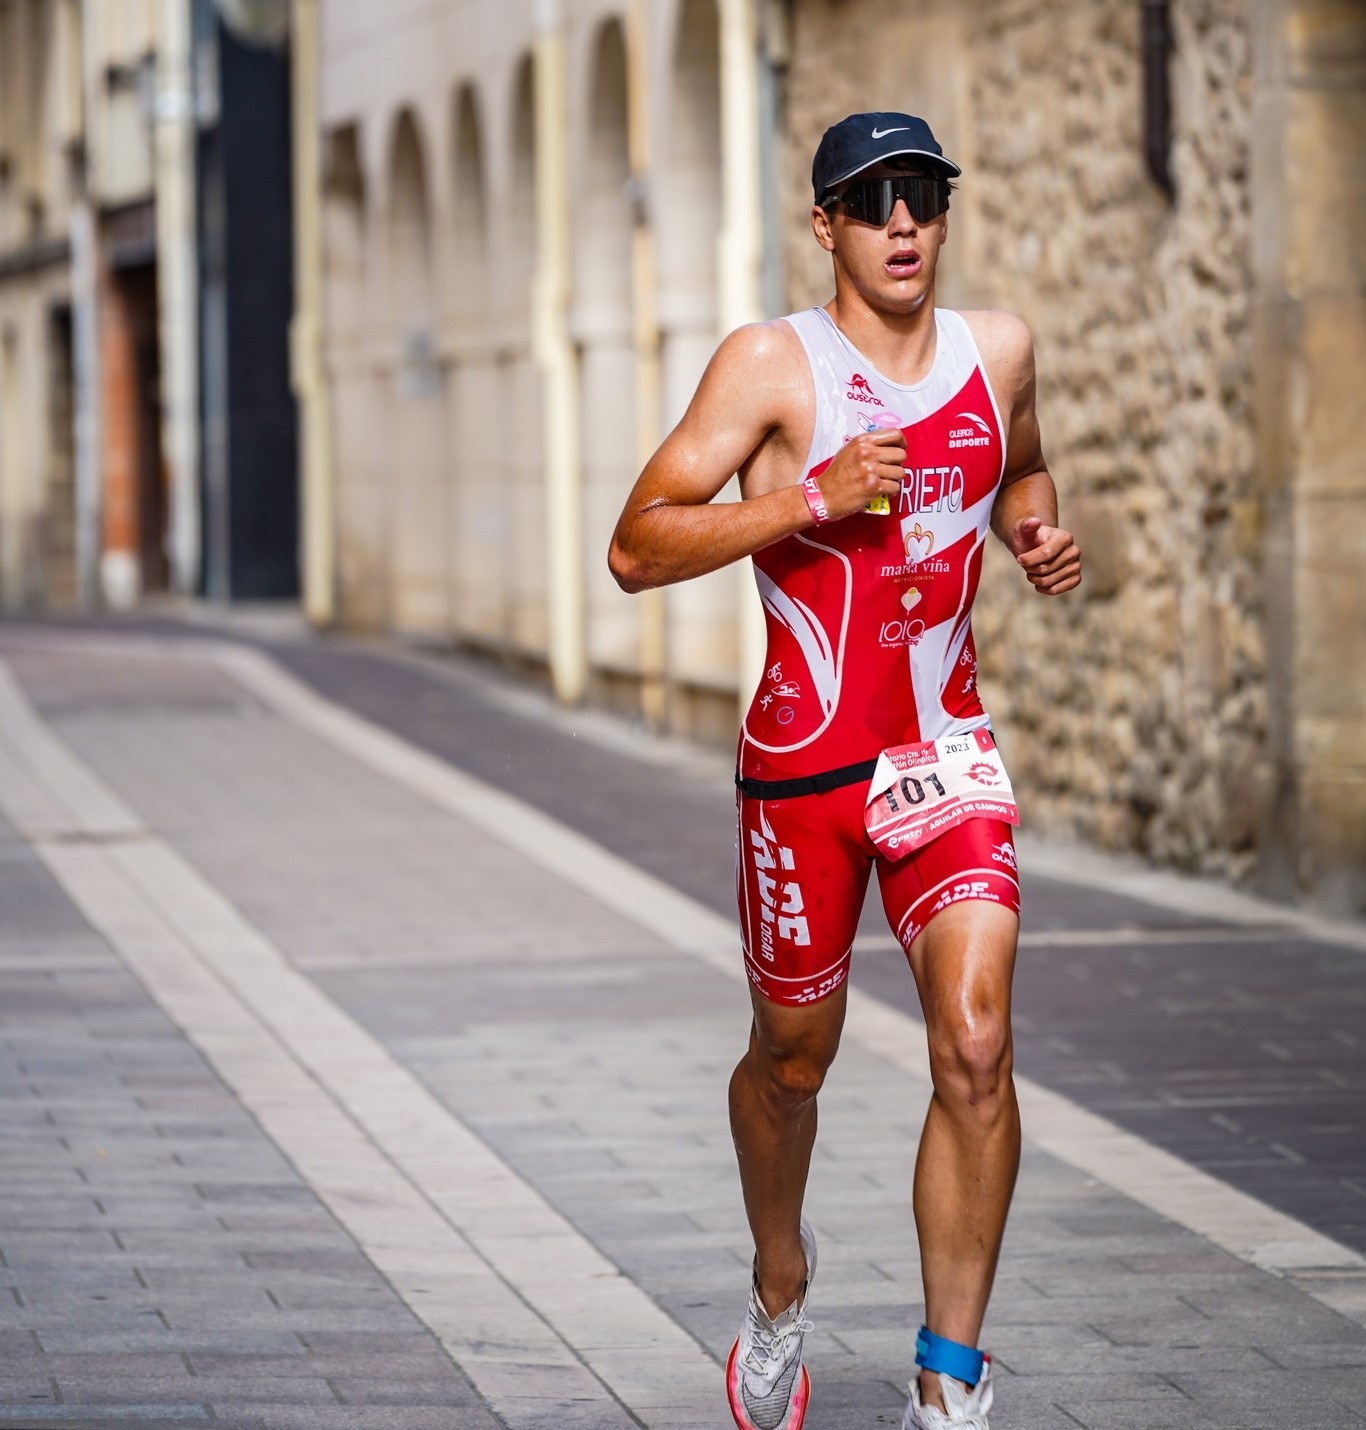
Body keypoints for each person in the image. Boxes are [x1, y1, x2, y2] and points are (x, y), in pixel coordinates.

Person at [608, 111, 1082, 1430]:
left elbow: (1023, 470)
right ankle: (779, 1279)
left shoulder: (999, 351)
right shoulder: (771, 364)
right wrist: (807, 501)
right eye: (870, 202)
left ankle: (949, 1372)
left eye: (919, 194)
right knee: (791, 1062)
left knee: (975, 1045)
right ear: (825, 226)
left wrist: (1037, 534)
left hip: (945, 753)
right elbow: (637, 545)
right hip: (804, 774)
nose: (900, 223)